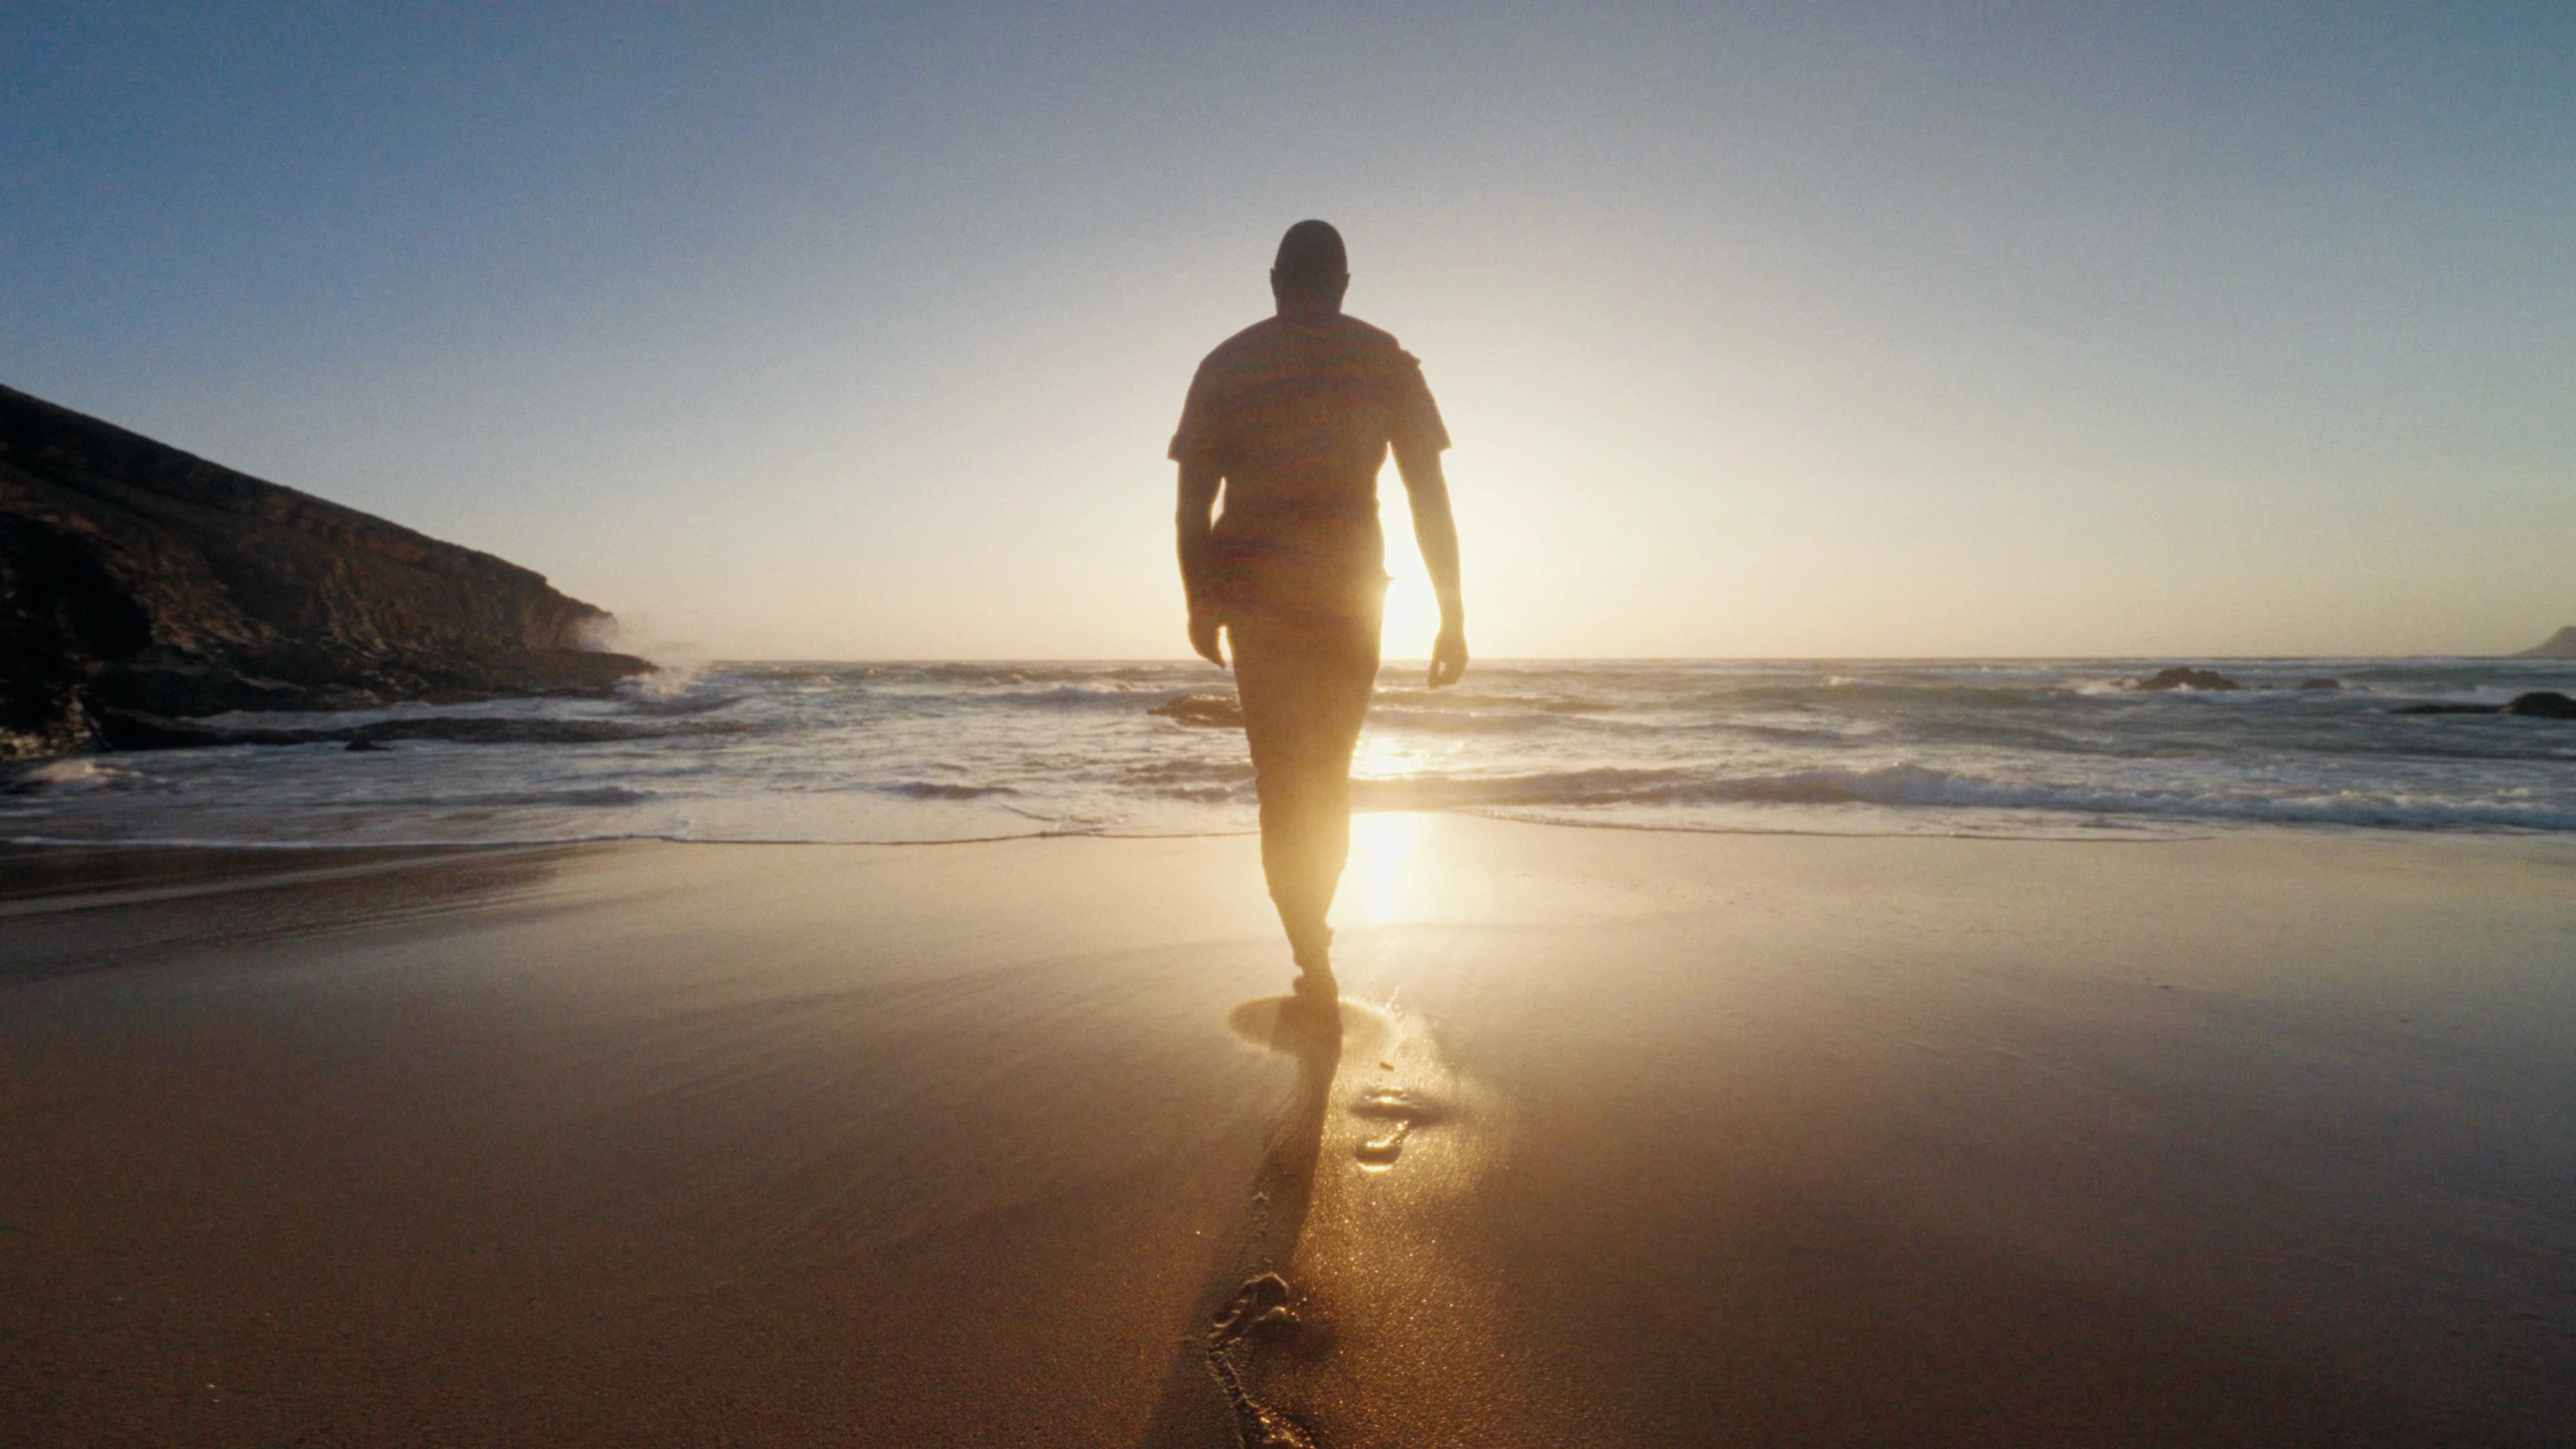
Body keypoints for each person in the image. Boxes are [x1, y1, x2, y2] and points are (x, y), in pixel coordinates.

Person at [1170, 219, 1468, 1003]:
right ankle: (1315, 927)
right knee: (1328, 775)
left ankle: (1308, 943)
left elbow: (1191, 506)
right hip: (1349, 597)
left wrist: (1199, 600)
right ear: (1342, 285)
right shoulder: (1384, 360)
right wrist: (1452, 612)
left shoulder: (1227, 365)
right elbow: (1426, 495)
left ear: (1273, 280)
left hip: (1258, 604)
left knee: (1282, 779)